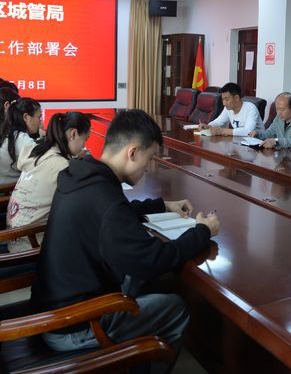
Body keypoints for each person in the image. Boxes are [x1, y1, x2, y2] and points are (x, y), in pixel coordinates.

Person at [31, 110, 219, 372]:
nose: (148, 167)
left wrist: (162, 205)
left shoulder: (83, 175)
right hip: (74, 324)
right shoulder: (105, 198)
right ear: (132, 153)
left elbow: (114, 213)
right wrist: (202, 231)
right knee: (174, 307)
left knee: (137, 279)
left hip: (54, 307)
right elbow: (153, 259)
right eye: (149, 158)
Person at [6, 111, 90, 253]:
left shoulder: (37, 152)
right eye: (85, 139)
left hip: (15, 238)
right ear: (73, 134)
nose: (84, 146)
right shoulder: (63, 167)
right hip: (32, 246)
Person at [0, 97, 42, 190]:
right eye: (39, 117)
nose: (40, 121)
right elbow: (42, 164)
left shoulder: (7, 133)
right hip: (1, 195)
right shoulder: (21, 138)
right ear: (26, 117)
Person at [199, 82, 265, 136]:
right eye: (223, 100)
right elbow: (218, 121)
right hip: (239, 141)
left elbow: (248, 131)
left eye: (227, 100)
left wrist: (222, 131)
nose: (224, 103)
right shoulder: (228, 108)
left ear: (236, 98)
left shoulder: (251, 108)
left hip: (257, 142)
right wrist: (208, 126)